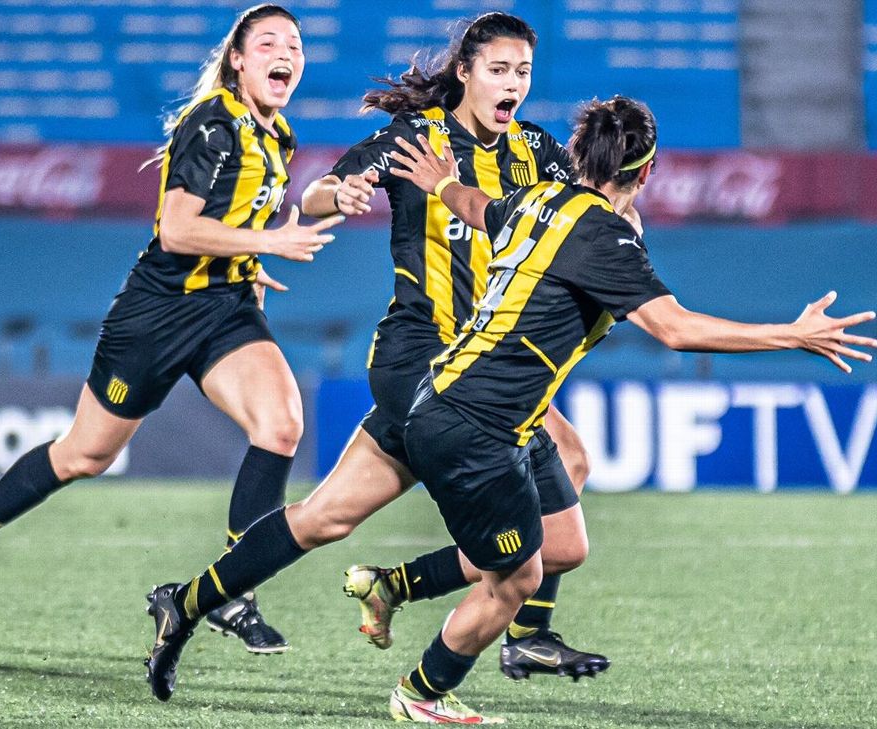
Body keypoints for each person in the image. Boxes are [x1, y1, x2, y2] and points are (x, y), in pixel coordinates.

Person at [358, 94, 877, 723]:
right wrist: (791, 335)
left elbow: (477, 207)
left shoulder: (538, 200)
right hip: (475, 423)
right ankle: (420, 694)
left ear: (579, 155)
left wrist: (442, 183)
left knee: (562, 543)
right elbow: (676, 329)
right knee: (517, 579)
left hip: (465, 405)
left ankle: (394, 586)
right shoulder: (602, 235)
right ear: (647, 172)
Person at [143, 12, 608, 706]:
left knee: (328, 518)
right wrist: (344, 192)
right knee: (526, 546)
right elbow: (316, 192)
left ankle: (185, 602)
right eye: (499, 69)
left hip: (480, 371)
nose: (512, 83)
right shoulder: (417, 139)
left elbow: (578, 216)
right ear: (466, 72)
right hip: (422, 362)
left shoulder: (537, 149)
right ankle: (444, 668)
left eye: (523, 72)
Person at [0, 4, 343, 655]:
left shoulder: (277, 134)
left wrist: (253, 262)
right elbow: (176, 230)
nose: (284, 52)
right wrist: (268, 241)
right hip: (158, 313)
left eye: (294, 42)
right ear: (238, 59)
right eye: (268, 42)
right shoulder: (211, 124)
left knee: (282, 424)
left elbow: (240, 212)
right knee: (83, 456)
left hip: (225, 307)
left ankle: (233, 591)